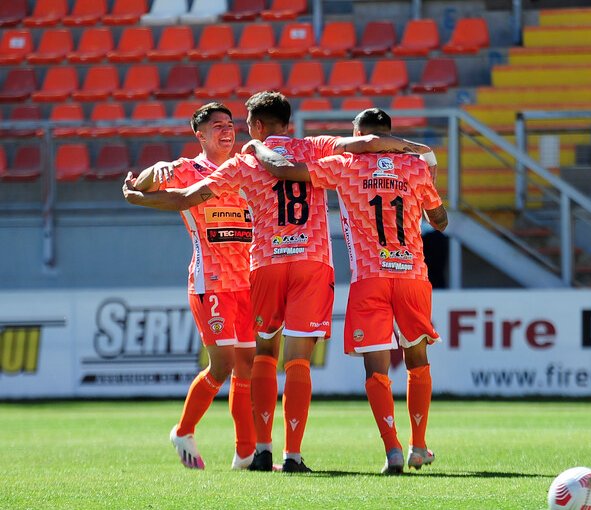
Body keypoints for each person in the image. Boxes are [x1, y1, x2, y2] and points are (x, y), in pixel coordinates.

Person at [123, 92, 432, 474]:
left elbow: (186, 197)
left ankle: (261, 449)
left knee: (263, 355)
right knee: (297, 359)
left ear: (254, 126)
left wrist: (136, 197)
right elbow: (367, 144)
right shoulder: (316, 148)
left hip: (266, 263)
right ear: (289, 122)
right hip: (312, 263)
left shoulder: (244, 162)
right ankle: (294, 455)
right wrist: (414, 149)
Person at [247, 108, 447, 474]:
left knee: (376, 370)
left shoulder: (345, 165)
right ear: (389, 134)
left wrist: (257, 148)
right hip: (412, 276)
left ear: (358, 134)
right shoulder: (416, 169)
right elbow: (441, 221)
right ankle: (419, 445)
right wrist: (424, 186)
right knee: (418, 361)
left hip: (369, 278)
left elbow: (285, 171)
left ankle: (393, 452)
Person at [126, 102, 257, 470]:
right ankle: (183, 431)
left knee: (246, 364)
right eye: (217, 125)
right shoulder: (187, 171)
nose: (226, 130)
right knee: (223, 364)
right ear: (200, 135)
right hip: (210, 281)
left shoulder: (244, 169)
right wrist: (155, 170)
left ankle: (245, 454)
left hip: (247, 281)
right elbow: (142, 184)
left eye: (230, 124)